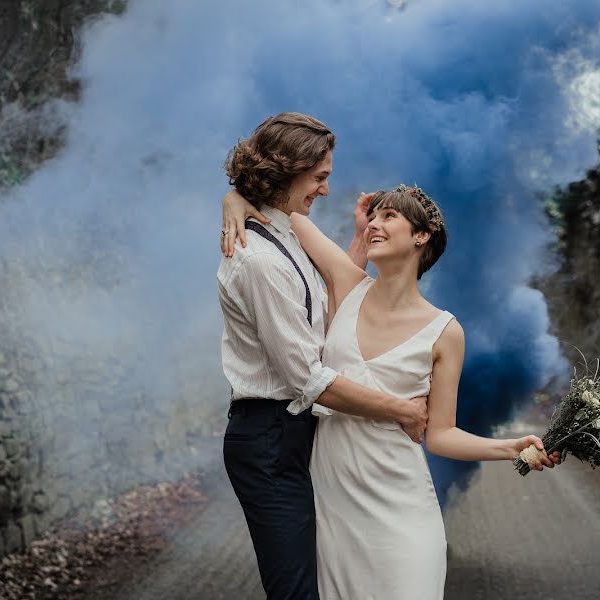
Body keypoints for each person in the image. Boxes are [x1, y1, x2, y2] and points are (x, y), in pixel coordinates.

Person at [224, 184, 561, 599]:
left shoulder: (445, 331)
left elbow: (440, 435)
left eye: (389, 217)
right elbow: (286, 212)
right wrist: (235, 198)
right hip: (335, 510)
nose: (374, 225)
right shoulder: (347, 283)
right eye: (373, 217)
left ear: (421, 236)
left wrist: (510, 447)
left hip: (401, 508)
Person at [217, 112, 429, 600]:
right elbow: (309, 379)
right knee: (295, 592)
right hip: (269, 439)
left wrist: (357, 239)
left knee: (327, 578)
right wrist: (401, 409)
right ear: (284, 171)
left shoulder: (285, 234)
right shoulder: (259, 260)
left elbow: (330, 314)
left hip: (294, 433)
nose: (325, 190)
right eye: (319, 178)